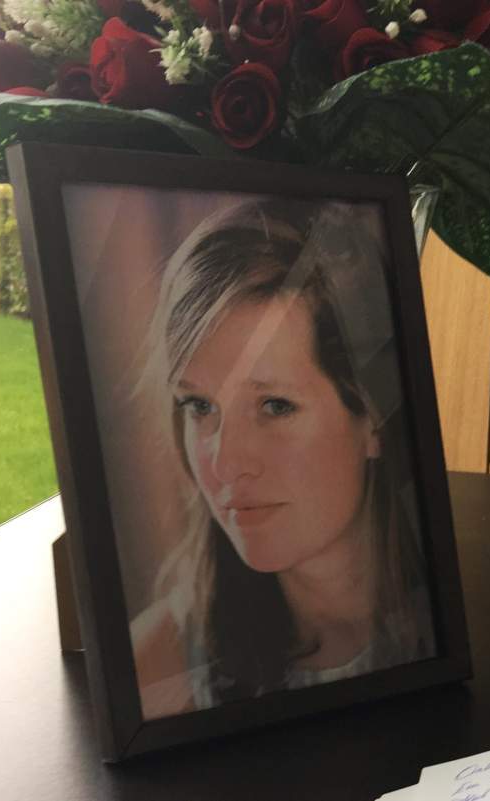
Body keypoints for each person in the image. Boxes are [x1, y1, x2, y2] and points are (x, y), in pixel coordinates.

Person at [130, 198, 435, 719]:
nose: (225, 466)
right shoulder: (156, 662)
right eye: (199, 406)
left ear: (372, 418)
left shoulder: (449, 621)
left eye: (274, 406)